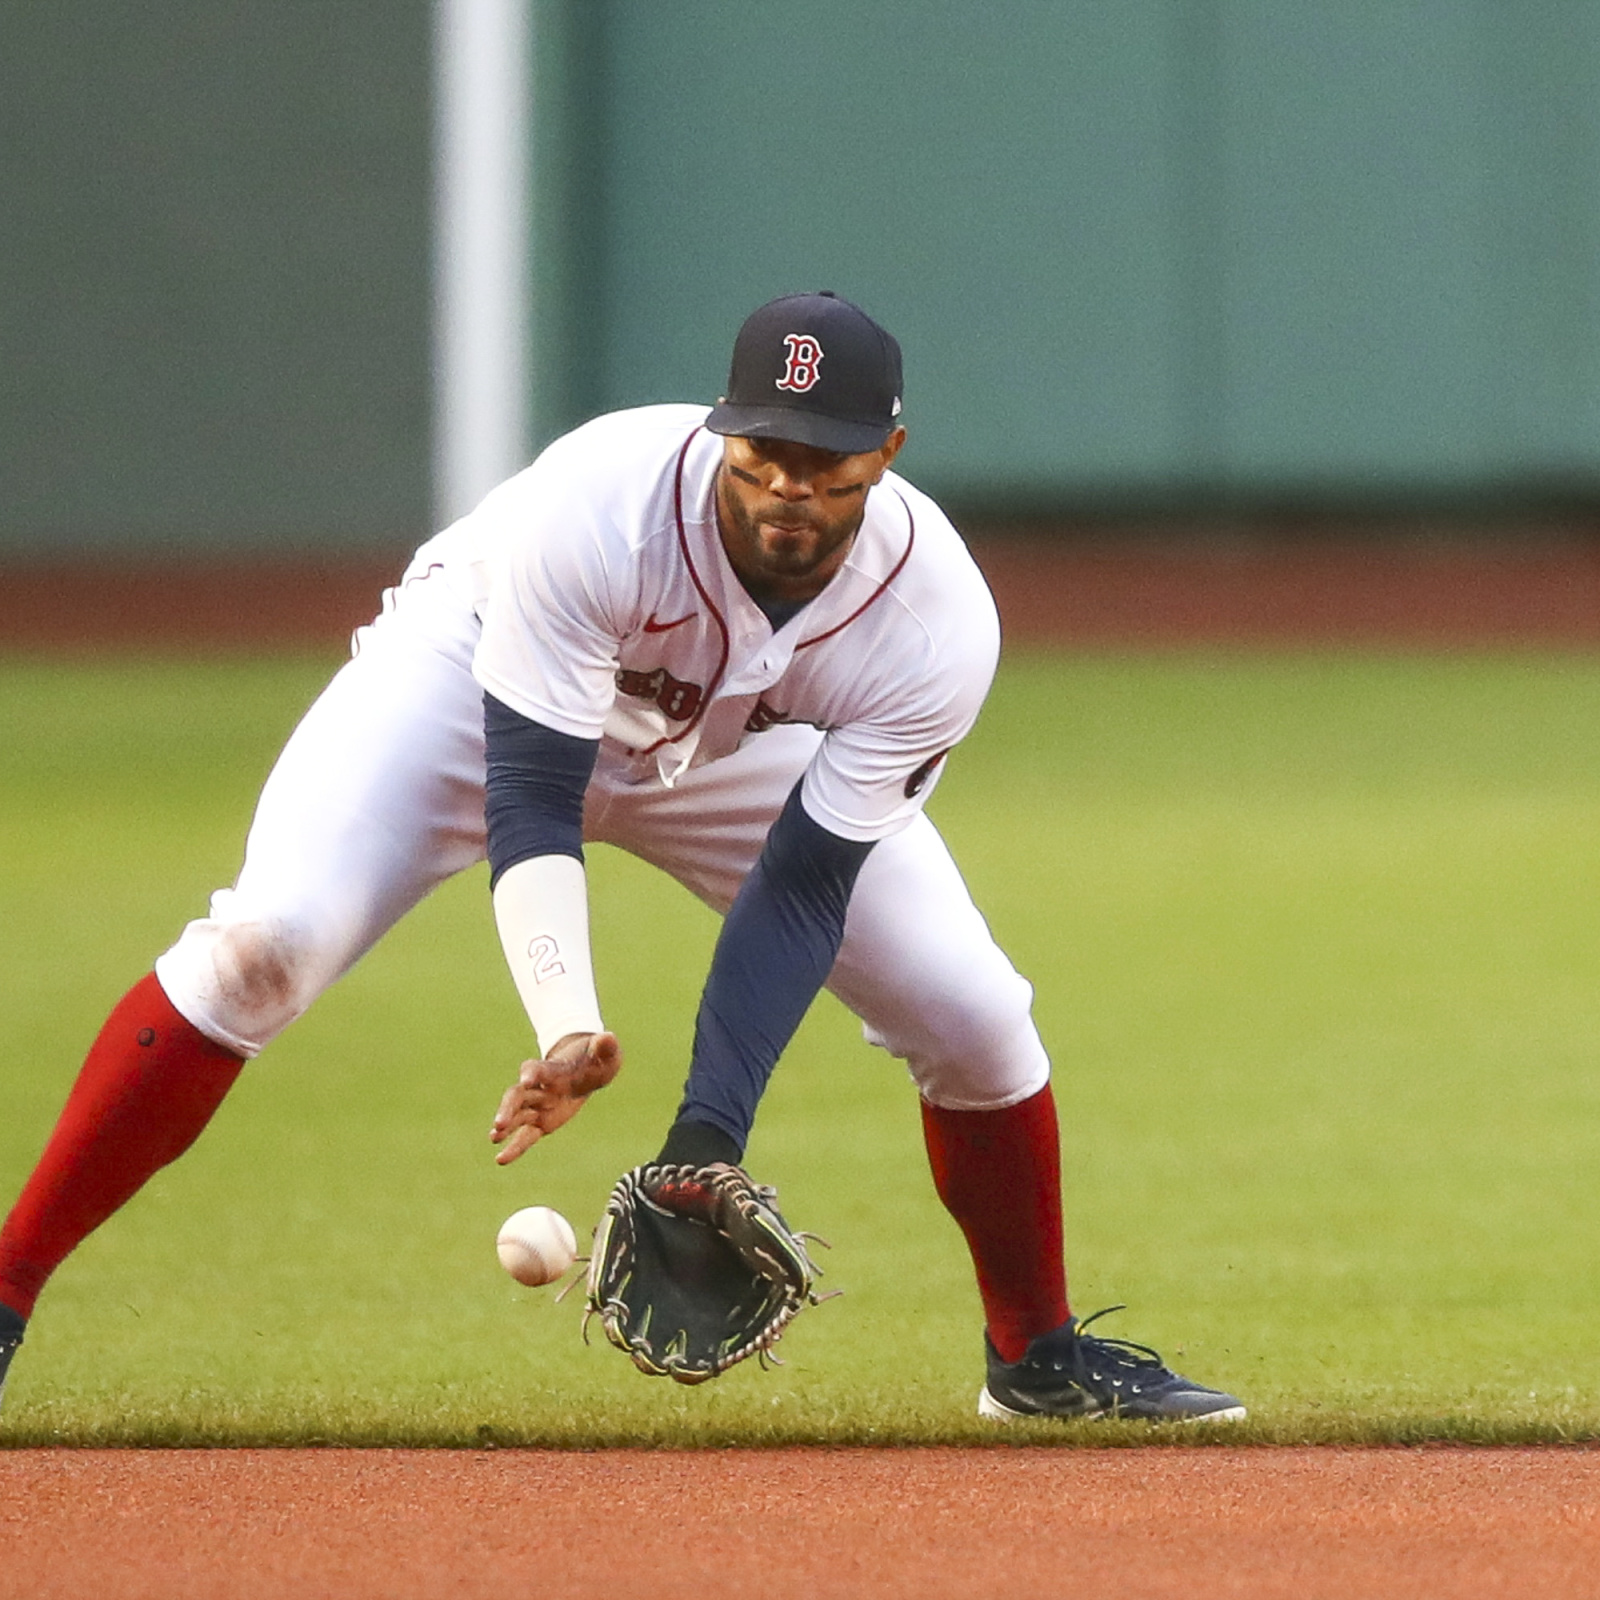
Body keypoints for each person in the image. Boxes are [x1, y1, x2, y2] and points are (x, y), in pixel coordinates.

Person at [0, 292, 1243, 1423]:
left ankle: (1034, 1358)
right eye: (763, 455)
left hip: (729, 740)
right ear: (719, 438)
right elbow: (532, 790)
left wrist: (709, 1134)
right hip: (474, 680)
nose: (789, 490)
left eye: (828, 462)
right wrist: (565, 1021)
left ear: (889, 456)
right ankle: (5, 1291)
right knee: (259, 952)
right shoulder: (597, 505)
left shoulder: (935, 621)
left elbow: (806, 884)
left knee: (973, 1013)